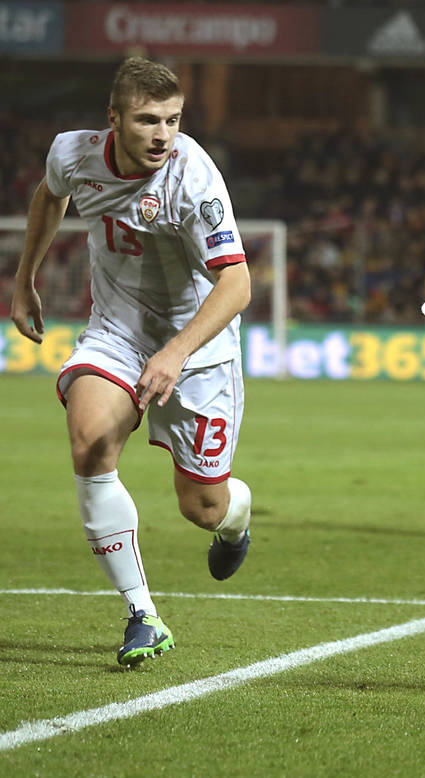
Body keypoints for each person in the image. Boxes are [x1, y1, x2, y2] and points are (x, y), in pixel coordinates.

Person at [10, 57, 253, 668]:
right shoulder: (73, 153)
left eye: (173, 120)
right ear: (113, 119)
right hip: (116, 334)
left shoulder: (194, 176)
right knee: (90, 441)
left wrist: (176, 352)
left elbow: (238, 284)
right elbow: (49, 196)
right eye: (148, 120)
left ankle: (235, 521)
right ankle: (143, 614)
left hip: (197, 349)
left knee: (202, 506)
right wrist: (25, 277)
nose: (163, 134)